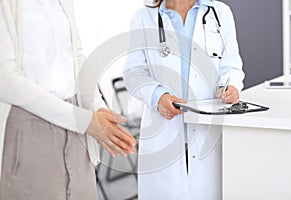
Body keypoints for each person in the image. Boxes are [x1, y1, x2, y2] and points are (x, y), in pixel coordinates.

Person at [0, 0, 136, 199]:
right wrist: (84, 121)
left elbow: (76, 57)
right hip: (29, 131)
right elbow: (5, 80)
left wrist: (97, 108)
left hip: (77, 130)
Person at [123, 0, 245, 199]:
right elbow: (133, 72)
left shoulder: (220, 13)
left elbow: (231, 66)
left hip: (208, 128)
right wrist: (158, 96)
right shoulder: (143, 17)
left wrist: (229, 86)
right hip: (164, 128)